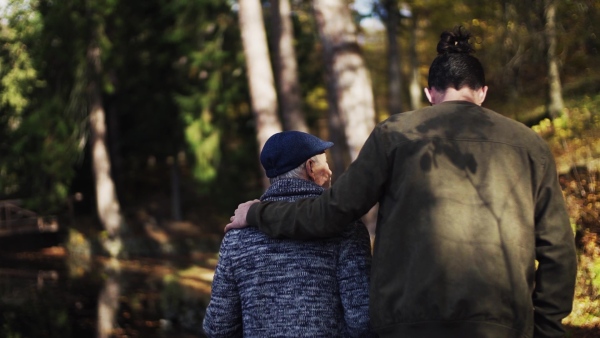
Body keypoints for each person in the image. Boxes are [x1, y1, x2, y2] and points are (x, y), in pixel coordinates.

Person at [226, 27, 577, 338]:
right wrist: (547, 328)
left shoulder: (395, 135)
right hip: (503, 324)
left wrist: (258, 214)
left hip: (409, 325)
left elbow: (330, 214)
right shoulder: (530, 146)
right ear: (483, 92)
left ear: (429, 93)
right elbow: (558, 251)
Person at [203, 131, 375, 337]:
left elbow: (218, 326)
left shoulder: (238, 235)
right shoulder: (347, 229)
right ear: (311, 168)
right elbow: (363, 322)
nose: (330, 171)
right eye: (325, 163)